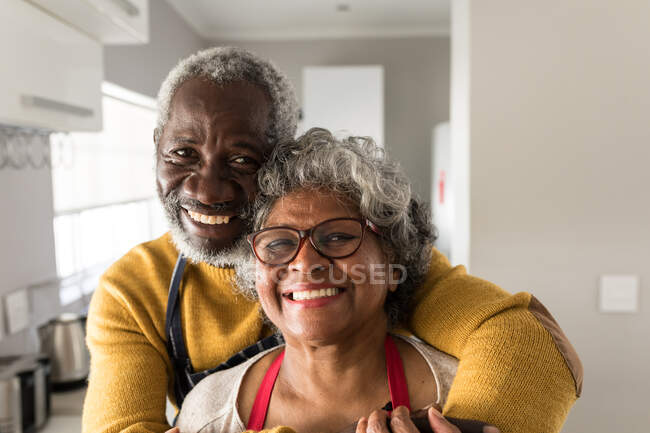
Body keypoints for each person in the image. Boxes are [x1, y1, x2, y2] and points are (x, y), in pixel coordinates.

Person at [82, 47, 582, 433]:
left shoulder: (374, 262)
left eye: (241, 159)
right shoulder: (134, 291)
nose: (205, 187)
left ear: (284, 160)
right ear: (157, 148)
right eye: (182, 152)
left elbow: (528, 340)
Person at [176, 128, 472, 433]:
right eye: (278, 244)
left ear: (393, 264)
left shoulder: (462, 393)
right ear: (255, 274)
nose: (305, 264)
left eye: (338, 237)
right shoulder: (209, 412)